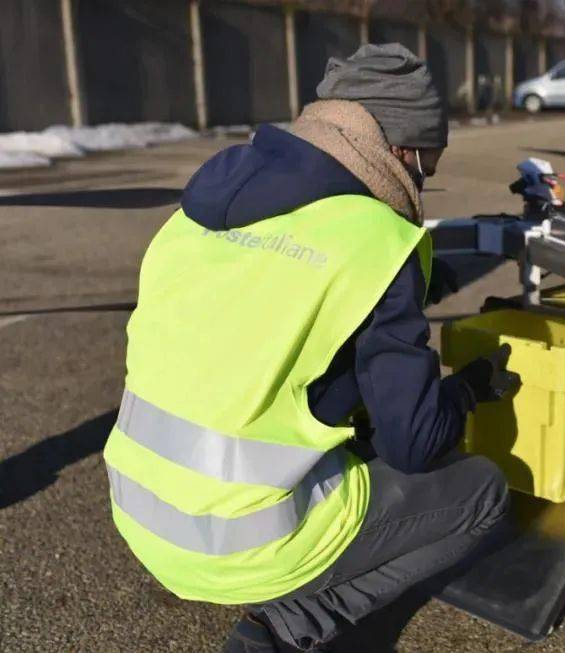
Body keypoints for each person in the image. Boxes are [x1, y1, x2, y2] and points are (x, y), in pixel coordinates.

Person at [101, 43, 519, 652]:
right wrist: (471, 388)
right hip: (234, 541)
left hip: (138, 506)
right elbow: (416, 444)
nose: (424, 179)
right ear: (400, 148)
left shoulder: (205, 203)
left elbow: (270, 310)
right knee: (483, 491)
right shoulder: (377, 240)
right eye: (428, 162)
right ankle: (284, 627)